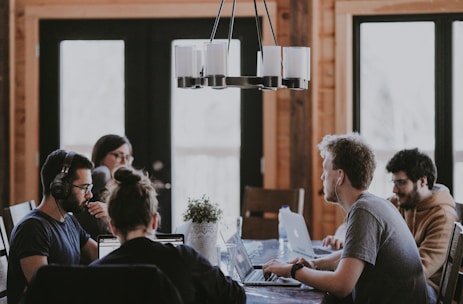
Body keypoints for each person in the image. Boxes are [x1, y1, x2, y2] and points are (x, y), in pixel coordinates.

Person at [262, 133, 431, 304]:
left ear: (340, 176)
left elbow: (342, 285)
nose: (322, 177)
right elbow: (354, 253)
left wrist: (291, 270)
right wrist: (315, 264)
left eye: (325, 170)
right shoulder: (375, 204)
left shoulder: (364, 211)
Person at [90, 166, 246, 304]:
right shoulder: (184, 259)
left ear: (113, 227)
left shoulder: (94, 273)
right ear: (154, 221)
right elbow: (236, 296)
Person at [7, 149, 98, 304]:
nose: (89, 195)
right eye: (84, 188)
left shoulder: (69, 221)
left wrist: (113, 220)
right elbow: (44, 291)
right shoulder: (32, 229)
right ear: (59, 187)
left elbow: (98, 254)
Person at [386, 148, 458, 298]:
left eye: (401, 182)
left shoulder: (443, 217)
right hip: (399, 281)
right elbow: (361, 223)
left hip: (426, 289)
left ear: (423, 181)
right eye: (394, 182)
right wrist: (341, 238)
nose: (394, 189)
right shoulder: (397, 203)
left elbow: (418, 270)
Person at [74, 134, 133, 240]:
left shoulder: (129, 188)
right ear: (102, 157)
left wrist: (111, 213)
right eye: (118, 155)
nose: (124, 162)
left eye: (127, 157)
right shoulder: (95, 181)